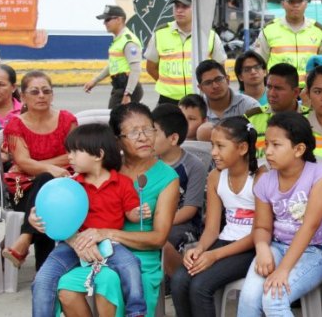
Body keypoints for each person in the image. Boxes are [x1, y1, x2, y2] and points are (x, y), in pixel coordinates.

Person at [56, 103, 180, 317]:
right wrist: (72, 237)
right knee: (64, 289)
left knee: (115, 283)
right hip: (96, 250)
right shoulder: (102, 168)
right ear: (117, 140)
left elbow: (159, 238)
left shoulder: (167, 177)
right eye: (133, 132)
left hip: (140, 256)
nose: (143, 137)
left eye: (148, 129)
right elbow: (68, 210)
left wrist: (107, 233)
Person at [29, 123, 146, 317]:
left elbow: (130, 213)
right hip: (73, 244)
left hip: (110, 243)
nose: (69, 156)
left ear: (98, 155)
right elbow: (52, 211)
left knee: (131, 265)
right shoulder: (71, 185)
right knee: (43, 279)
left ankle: (136, 312)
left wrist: (139, 212)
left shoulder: (122, 183)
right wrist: (36, 217)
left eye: (75, 151)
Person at [237, 112, 322, 316]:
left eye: (276, 145)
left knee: (274, 298)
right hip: (277, 247)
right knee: (247, 300)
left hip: (315, 250)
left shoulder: (320, 175)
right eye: (267, 145)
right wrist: (262, 247)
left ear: (299, 149)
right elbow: (263, 226)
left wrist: (283, 270)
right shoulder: (265, 180)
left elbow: (310, 226)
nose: (268, 152)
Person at [171, 116, 260, 317]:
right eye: (212, 145)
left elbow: (259, 233)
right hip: (223, 241)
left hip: (251, 247)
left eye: (220, 146)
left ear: (243, 148)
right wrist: (200, 249)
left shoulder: (260, 177)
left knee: (200, 286)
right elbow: (212, 228)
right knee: (179, 281)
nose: (213, 153)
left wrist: (214, 255)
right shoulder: (215, 177)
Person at [1, 71, 77, 270]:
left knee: (45, 185)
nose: (41, 96)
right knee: (46, 190)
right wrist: (52, 167)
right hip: (20, 189)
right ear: (23, 96)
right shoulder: (16, 124)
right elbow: (23, 163)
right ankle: (44, 270)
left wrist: (39, 165)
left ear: (52, 95)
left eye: (46, 91)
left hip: (63, 187)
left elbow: (76, 155)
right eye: (34, 92)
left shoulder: (67, 120)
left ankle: (24, 239)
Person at [151, 104, 207, 277]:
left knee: (163, 240)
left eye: (154, 132)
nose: (147, 138)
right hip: (152, 220)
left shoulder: (193, 166)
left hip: (183, 225)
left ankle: (177, 281)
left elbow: (190, 209)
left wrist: (160, 223)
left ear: (173, 138)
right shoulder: (149, 162)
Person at [145, 0, 227, 105]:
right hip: (168, 100)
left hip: (201, 99)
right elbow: (151, 67)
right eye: (177, 6)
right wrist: (168, 86)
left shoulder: (209, 35)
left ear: (196, 9)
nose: (179, 10)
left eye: (185, 6)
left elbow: (220, 69)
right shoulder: (159, 34)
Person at [254, 0, 322, 89]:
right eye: (291, 1)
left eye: (299, 1)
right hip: (280, 91)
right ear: (283, 4)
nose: (296, 5)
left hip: (310, 90)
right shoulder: (269, 30)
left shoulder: (318, 30)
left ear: (305, 4)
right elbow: (259, 64)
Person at [84, 5, 145, 108]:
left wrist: (127, 94)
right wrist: (95, 80)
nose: (104, 23)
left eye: (107, 19)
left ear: (119, 20)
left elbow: (135, 69)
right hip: (120, 88)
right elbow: (113, 65)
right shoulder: (118, 40)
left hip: (127, 89)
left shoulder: (128, 41)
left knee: (115, 120)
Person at [246, 63, 307, 158]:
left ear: (295, 92)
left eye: (278, 88)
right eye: (269, 87)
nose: (272, 93)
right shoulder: (251, 119)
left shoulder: (311, 117)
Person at [196, 60, 259, 127]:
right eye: (208, 83)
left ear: (227, 80)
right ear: (200, 88)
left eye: (219, 79)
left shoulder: (250, 106)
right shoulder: (196, 110)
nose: (215, 86)